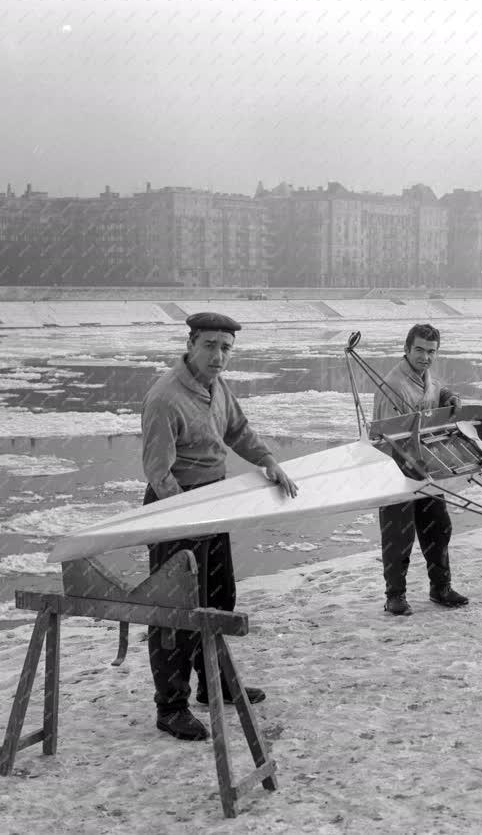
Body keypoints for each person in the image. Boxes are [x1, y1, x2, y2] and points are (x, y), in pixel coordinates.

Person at [141, 312, 298, 741]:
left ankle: (213, 685)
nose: (219, 356)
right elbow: (158, 471)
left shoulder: (218, 388)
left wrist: (268, 461)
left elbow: (238, 430)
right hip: (174, 509)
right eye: (210, 345)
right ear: (190, 344)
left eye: (226, 348)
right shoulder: (165, 398)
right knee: (175, 611)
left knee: (218, 596)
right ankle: (169, 706)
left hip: (213, 504)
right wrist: (184, 518)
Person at [373, 323, 468, 616]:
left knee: (438, 527)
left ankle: (440, 587)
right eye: (420, 350)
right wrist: (407, 464)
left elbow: (437, 392)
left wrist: (449, 397)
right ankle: (395, 596)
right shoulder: (393, 385)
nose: (425, 357)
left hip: (426, 466)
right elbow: (384, 437)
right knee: (399, 535)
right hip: (396, 469)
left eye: (431, 352)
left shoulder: (425, 376)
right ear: (406, 349)